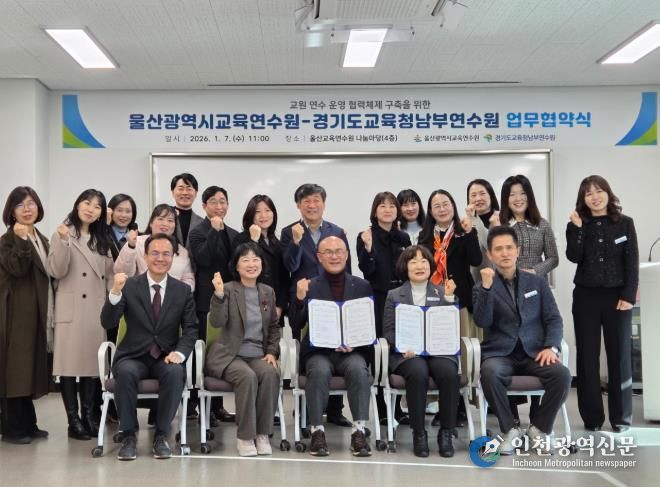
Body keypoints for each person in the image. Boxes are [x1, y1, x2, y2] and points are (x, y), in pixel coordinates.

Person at [473, 226, 571, 455]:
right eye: (498, 249)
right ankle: (510, 430)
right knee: (489, 373)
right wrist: (486, 288)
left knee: (562, 375)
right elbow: (482, 321)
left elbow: (554, 319)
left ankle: (539, 429)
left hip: (534, 352)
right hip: (500, 353)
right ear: (490, 255)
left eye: (509, 247)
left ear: (518, 250)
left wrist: (550, 346)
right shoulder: (482, 286)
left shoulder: (537, 283)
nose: (505, 253)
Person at [101, 233, 198, 460]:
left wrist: (180, 353)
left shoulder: (182, 290)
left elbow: (191, 329)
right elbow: (108, 322)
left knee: (175, 373)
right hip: (132, 355)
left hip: (165, 355)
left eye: (166, 254)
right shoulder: (129, 286)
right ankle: (128, 435)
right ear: (145, 256)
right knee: (125, 372)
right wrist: (114, 293)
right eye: (154, 253)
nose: (160, 258)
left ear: (173, 258)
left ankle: (161, 435)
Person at [566, 175, 638, 433]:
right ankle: (592, 418)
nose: (594, 197)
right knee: (587, 357)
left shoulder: (625, 223)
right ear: (583, 199)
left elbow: (632, 263)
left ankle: (621, 418)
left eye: (598, 191)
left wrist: (629, 296)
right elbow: (573, 256)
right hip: (586, 297)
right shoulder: (576, 223)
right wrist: (577, 229)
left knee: (620, 356)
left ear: (608, 193)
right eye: (588, 193)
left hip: (618, 298)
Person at [289, 236, 373, 457]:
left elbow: (368, 324)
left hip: (351, 351)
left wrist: (356, 342)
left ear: (346, 255)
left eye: (339, 251)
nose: (334, 256)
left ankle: (359, 431)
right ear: (319, 257)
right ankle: (317, 431)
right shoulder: (309, 285)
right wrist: (299, 299)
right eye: (328, 252)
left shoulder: (362, 286)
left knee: (358, 369)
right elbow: (296, 324)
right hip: (319, 351)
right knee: (318, 370)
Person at [281, 183, 352, 427]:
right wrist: (296, 243)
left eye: (316, 200)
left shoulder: (337, 231)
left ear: (323, 203)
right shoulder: (289, 232)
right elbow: (289, 266)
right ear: (298, 205)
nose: (312, 205)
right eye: (306, 201)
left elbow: (346, 267)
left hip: (334, 299)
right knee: (307, 353)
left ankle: (335, 410)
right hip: (304, 298)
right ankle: (304, 410)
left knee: (337, 349)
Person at [48, 189, 114, 440]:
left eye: (97, 206)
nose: (90, 209)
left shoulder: (102, 239)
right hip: (71, 308)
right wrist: (64, 242)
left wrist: (113, 303)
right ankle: (72, 420)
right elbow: (56, 270)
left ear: (101, 213)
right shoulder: (62, 233)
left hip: (95, 310)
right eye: (87, 203)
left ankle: (88, 416)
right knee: (68, 366)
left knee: (91, 365)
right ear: (77, 205)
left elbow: (109, 276)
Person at [382, 245, 459, 457]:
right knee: (417, 372)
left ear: (430, 266)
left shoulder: (442, 292)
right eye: (413, 261)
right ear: (405, 267)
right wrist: (402, 346)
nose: (419, 265)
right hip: (407, 353)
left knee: (449, 373)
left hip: (438, 351)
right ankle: (419, 433)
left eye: (424, 261)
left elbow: (450, 326)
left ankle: (446, 432)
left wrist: (449, 298)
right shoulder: (394, 295)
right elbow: (388, 331)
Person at [205, 243, 280, 456]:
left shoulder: (267, 292)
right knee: (247, 376)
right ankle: (245, 436)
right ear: (236, 266)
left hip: (257, 354)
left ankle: (262, 434)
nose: (251, 264)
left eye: (255, 259)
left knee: (270, 373)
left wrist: (272, 352)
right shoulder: (228, 289)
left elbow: (274, 327)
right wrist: (219, 295)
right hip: (229, 355)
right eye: (245, 260)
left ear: (262, 264)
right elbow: (217, 322)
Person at [0, 187, 52, 444]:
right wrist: (20, 240)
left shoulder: (40, 237)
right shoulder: (8, 239)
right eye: (20, 205)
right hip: (15, 314)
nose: (27, 209)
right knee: (16, 369)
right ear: (11, 211)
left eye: (31, 203)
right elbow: (17, 268)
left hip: (36, 312)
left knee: (29, 367)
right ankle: (11, 428)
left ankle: (28, 423)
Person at [356, 191, 410, 423]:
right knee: (380, 353)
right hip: (378, 300)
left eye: (392, 206)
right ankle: (380, 410)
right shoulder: (366, 235)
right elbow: (367, 271)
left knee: (400, 350)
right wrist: (368, 249)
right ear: (375, 210)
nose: (387, 210)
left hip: (402, 300)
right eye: (382, 206)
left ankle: (397, 409)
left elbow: (408, 270)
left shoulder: (403, 238)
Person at [188, 186, 239, 423]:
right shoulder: (198, 232)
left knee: (222, 353)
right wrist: (214, 232)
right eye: (213, 202)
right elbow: (204, 258)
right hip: (205, 302)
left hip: (229, 301)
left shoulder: (234, 233)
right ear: (204, 206)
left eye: (223, 201)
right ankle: (202, 407)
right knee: (205, 353)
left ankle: (217, 406)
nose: (219, 206)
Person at [233, 194, 289, 322]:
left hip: (274, 308)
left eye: (267, 210)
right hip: (250, 306)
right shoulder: (241, 239)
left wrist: (280, 306)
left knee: (274, 335)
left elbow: (284, 277)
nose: (263, 215)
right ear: (251, 215)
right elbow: (239, 272)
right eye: (258, 212)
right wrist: (254, 241)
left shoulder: (276, 242)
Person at [114, 204, 195, 291]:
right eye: (160, 219)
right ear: (151, 223)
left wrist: (178, 292)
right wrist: (131, 247)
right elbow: (122, 273)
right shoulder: (137, 242)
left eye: (170, 220)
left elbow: (188, 278)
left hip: (173, 297)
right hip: (141, 295)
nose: (165, 224)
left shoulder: (182, 251)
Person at [499, 174, 558, 278]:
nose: (518, 199)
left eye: (523, 193)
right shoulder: (500, 225)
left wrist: (534, 271)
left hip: (538, 282)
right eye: (512, 195)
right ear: (505, 199)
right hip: (509, 281)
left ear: (529, 196)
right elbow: (495, 259)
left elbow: (553, 258)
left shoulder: (542, 224)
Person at [170, 173, 203, 248]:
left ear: (196, 193)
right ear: (173, 192)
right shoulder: (163, 219)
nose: (185, 193)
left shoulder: (202, 223)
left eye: (189, 189)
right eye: (180, 189)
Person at [106, 194, 138, 261]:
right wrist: (105, 225)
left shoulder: (139, 237)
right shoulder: (103, 234)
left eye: (128, 211)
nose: (123, 215)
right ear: (111, 211)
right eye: (119, 210)